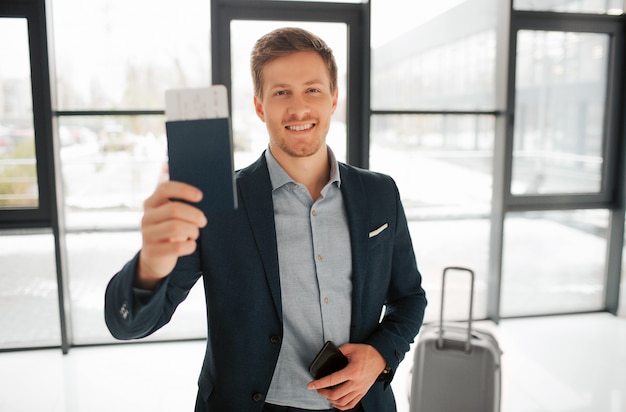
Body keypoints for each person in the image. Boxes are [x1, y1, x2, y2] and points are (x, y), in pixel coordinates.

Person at [105, 27, 427, 412]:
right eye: (281, 92)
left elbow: (409, 299)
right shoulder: (218, 205)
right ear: (260, 106)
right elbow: (130, 325)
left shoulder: (380, 194)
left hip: (359, 403)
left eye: (313, 89)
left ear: (333, 99)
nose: (299, 108)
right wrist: (150, 265)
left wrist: (379, 355)